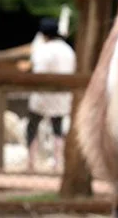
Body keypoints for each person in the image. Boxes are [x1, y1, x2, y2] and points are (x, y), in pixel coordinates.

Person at [23, 17, 76, 172]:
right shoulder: (68, 50)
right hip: (62, 96)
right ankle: (57, 162)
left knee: (32, 126)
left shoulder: (43, 49)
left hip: (42, 95)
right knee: (57, 129)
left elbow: (38, 71)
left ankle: (31, 162)